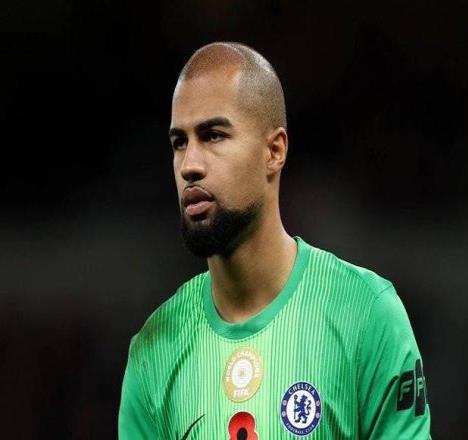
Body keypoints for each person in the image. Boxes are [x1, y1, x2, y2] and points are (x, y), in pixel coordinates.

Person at [118, 41, 431, 439]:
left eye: (213, 135)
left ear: (274, 151)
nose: (189, 165)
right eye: (179, 142)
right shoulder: (153, 352)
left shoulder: (367, 314)